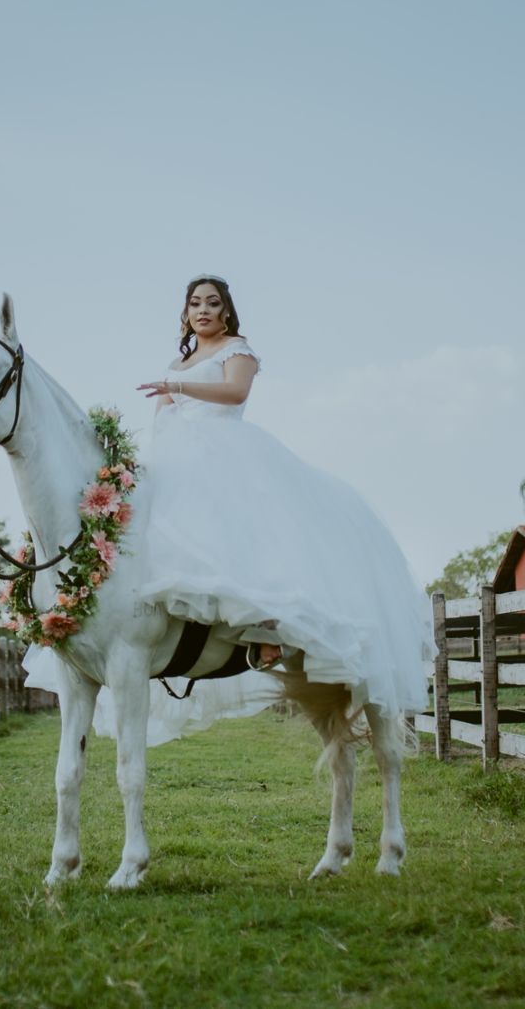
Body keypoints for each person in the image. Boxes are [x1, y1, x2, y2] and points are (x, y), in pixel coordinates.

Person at [108, 273, 435, 742]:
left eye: (212, 303)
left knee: (248, 527)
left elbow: (235, 394)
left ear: (225, 311)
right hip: (179, 455)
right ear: (185, 314)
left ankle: (265, 629)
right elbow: (162, 420)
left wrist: (177, 387)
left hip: (225, 448)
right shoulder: (176, 365)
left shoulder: (237, 350)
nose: (203, 310)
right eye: (195, 303)